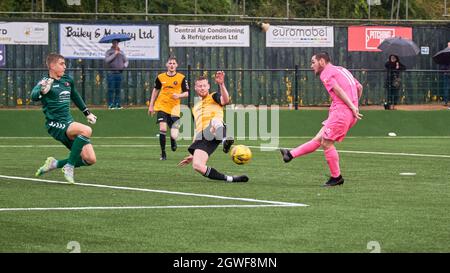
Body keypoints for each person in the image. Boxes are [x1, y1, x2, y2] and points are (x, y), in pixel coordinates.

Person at [280, 52, 363, 187]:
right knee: (319, 139)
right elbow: (359, 87)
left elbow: (337, 90)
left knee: (326, 143)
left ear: (322, 62)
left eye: (313, 62)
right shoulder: (342, 69)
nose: (311, 65)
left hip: (341, 112)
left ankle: (336, 177)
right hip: (346, 112)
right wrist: (355, 105)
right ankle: (290, 154)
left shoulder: (326, 73)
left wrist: (352, 107)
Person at [32, 53, 97, 184]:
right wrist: (42, 91)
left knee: (90, 159)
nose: (65, 67)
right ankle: (69, 166)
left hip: (68, 122)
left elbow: (76, 96)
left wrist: (87, 113)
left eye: (64, 64)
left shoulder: (67, 80)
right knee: (86, 130)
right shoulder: (45, 82)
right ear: (52, 65)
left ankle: (54, 164)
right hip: (55, 125)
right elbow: (33, 96)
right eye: (61, 64)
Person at [177, 72, 248, 183]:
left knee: (214, 121)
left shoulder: (213, 96)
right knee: (197, 166)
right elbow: (197, 129)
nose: (202, 88)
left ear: (208, 86)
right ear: (195, 88)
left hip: (216, 129)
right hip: (202, 137)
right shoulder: (195, 107)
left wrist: (221, 84)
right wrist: (193, 153)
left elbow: (225, 100)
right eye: (200, 86)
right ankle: (230, 179)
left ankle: (225, 140)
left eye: (204, 85)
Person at [148, 56, 189, 160]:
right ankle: (163, 153)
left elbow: (186, 93)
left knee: (174, 135)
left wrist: (179, 96)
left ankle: (173, 140)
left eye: (173, 63)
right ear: (167, 65)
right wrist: (151, 105)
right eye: (170, 63)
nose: (172, 65)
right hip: (162, 106)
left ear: (177, 65)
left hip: (174, 108)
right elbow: (155, 90)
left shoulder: (181, 77)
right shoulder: (160, 77)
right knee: (162, 128)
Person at [105, 39, 128, 109]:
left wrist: (124, 66)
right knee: (111, 89)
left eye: (117, 43)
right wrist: (115, 54)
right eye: (114, 43)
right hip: (111, 73)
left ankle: (117, 104)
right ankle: (110, 104)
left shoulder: (121, 52)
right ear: (112, 43)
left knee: (118, 89)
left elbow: (126, 61)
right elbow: (107, 60)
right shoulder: (109, 52)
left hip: (119, 73)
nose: (115, 44)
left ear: (118, 43)